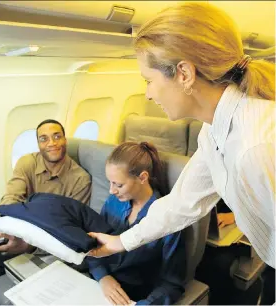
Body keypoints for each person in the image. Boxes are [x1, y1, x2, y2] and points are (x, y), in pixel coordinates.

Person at [87, 2, 275, 304]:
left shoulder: (256, 147)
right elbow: (183, 203)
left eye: (149, 80)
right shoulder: (213, 130)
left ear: (184, 73)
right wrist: (121, 242)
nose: (148, 92)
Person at [0, 119, 92, 305]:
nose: (51, 143)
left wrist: (27, 245)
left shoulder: (80, 179)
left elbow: (68, 229)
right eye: (44, 139)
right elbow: (11, 196)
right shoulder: (27, 162)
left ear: (65, 140)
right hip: (13, 225)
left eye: (57, 136)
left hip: (39, 242)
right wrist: (7, 226)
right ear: (39, 144)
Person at [85, 141, 186, 305]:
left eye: (118, 184)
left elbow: (172, 283)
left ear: (142, 177)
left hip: (133, 296)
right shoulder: (113, 202)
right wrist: (103, 276)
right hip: (100, 285)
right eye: (109, 182)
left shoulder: (167, 219)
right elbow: (94, 245)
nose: (111, 190)